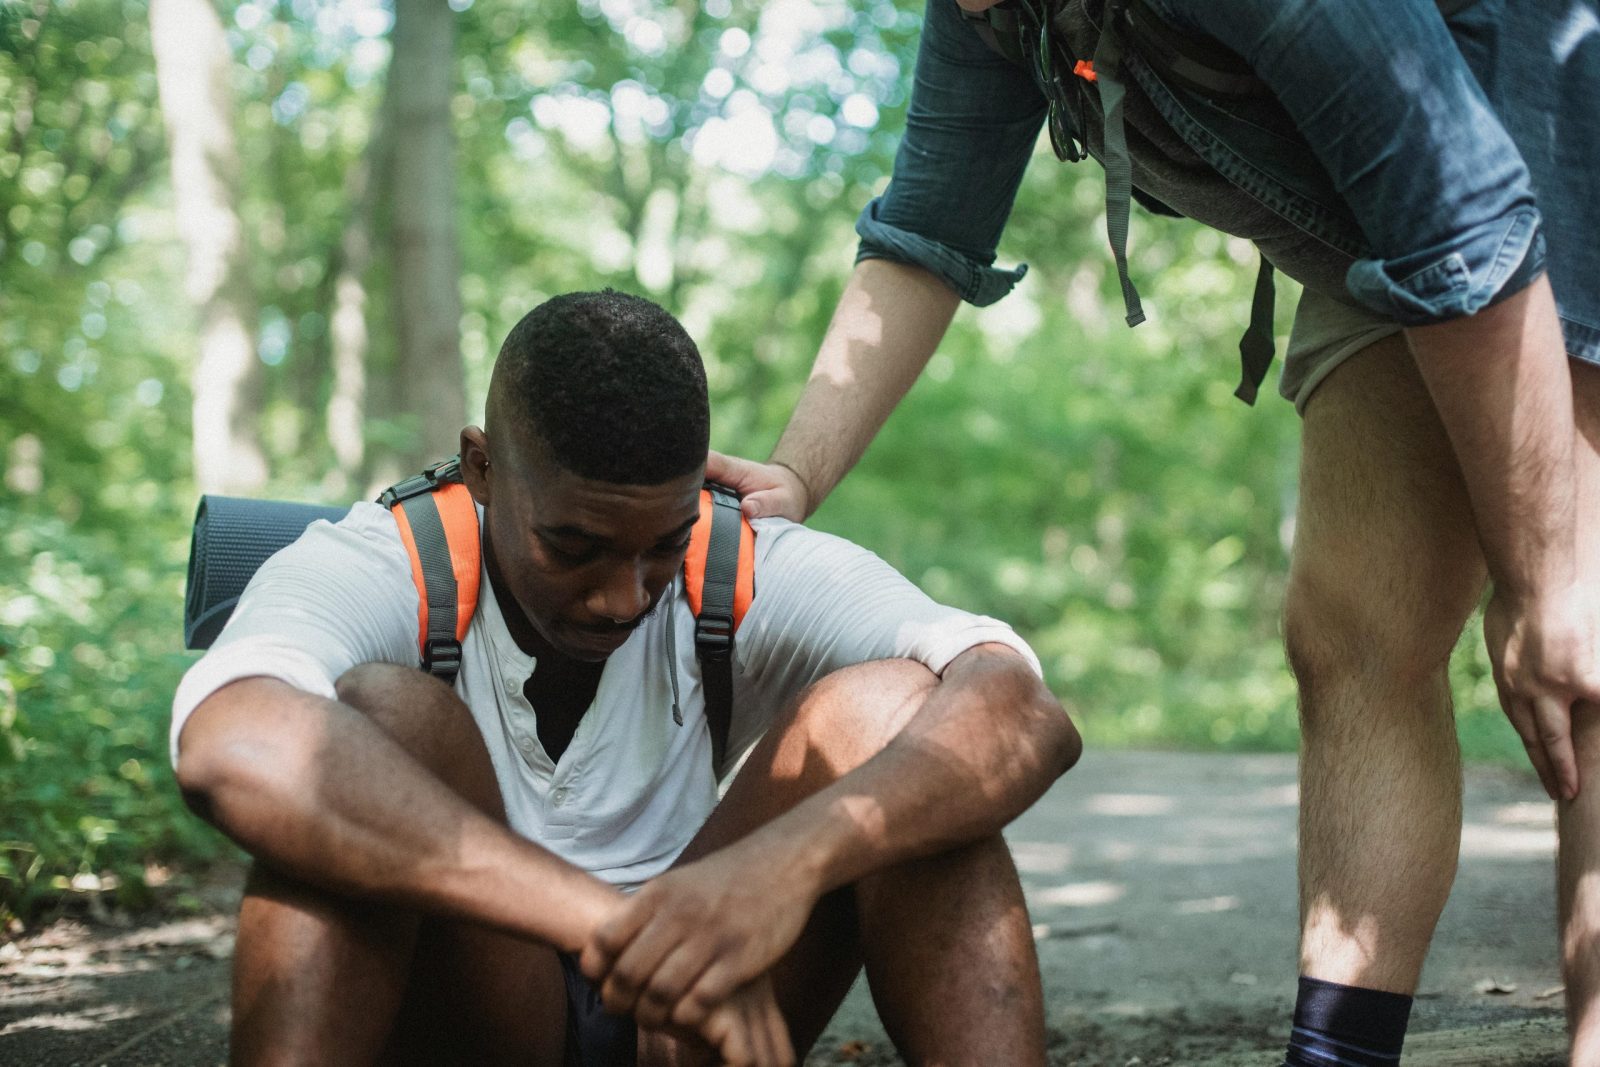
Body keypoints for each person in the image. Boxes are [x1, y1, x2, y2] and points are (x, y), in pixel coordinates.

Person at [706, 0, 1600, 1061]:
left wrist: (1547, 580)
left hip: (1542, 151)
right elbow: (927, 231)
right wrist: (797, 473)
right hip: (1392, 224)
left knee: (1575, 652)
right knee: (1351, 632)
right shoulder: (990, 11)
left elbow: (1466, 218)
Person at [169, 289, 1080, 1067]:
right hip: (482, 1006)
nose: (621, 596)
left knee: (899, 719)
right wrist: (602, 924)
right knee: (383, 716)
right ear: (483, 468)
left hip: (702, 1008)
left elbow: (1020, 710)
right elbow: (232, 740)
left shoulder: (743, 561)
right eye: (575, 546)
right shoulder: (381, 561)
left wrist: (782, 868)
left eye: (662, 545)